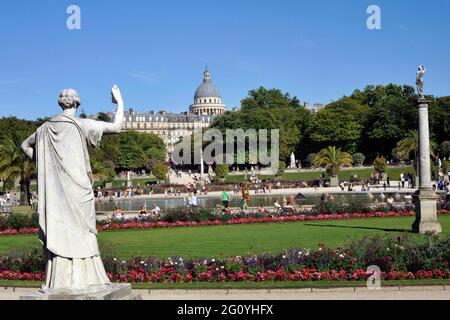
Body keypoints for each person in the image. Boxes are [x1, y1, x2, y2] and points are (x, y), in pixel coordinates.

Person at [21, 86, 124, 290]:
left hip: (57, 190)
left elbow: (25, 145)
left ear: (61, 102)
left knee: (62, 227)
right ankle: (88, 278)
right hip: (79, 189)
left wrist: (44, 164)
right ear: (77, 102)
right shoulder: (82, 124)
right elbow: (117, 127)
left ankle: (61, 279)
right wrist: (119, 102)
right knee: (83, 230)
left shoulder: (44, 128)